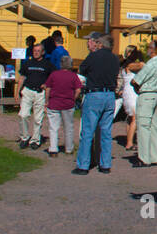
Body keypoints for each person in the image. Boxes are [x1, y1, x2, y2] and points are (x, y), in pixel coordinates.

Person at [73, 32, 120, 175]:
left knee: (88, 131)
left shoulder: (94, 56)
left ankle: (83, 165)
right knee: (106, 132)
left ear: (100, 44)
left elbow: (82, 69)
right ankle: (105, 164)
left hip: (95, 94)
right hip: (110, 95)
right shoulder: (115, 59)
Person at [130, 39, 157, 167]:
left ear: (152, 49)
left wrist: (135, 86)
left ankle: (144, 158)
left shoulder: (150, 64)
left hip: (147, 95)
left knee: (144, 126)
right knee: (155, 127)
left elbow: (136, 81)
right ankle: (155, 156)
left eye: (149, 48)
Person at [16, 42, 54, 149]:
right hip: (27, 91)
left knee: (38, 118)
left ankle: (35, 140)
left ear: (43, 52)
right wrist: (17, 92)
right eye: (34, 51)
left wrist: (46, 85)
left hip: (40, 93)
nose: (36, 53)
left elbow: (52, 79)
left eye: (38, 51)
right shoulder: (27, 63)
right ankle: (24, 137)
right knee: (23, 115)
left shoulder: (47, 64)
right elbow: (22, 77)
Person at [43, 55, 80, 158]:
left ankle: (53, 149)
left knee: (53, 127)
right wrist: (73, 98)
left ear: (61, 64)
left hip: (54, 103)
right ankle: (69, 148)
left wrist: (46, 101)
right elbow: (78, 90)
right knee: (68, 127)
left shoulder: (54, 75)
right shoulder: (73, 76)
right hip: (68, 104)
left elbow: (48, 89)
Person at [119, 47, 144, 151]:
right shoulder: (131, 66)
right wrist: (141, 57)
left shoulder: (125, 65)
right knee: (135, 118)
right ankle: (129, 143)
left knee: (130, 118)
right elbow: (143, 65)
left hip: (127, 93)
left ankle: (129, 140)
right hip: (131, 93)